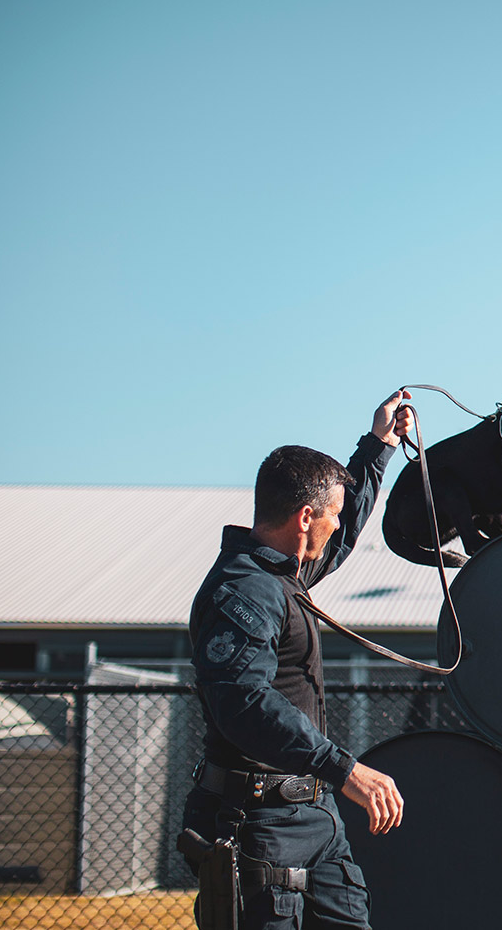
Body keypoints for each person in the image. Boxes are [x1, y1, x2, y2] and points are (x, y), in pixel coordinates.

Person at [181, 390, 414, 929]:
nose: (337, 524)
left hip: (315, 815)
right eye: (328, 514)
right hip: (258, 822)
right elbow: (243, 699)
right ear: (306, 517)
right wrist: (345, 769)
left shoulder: (285, 578)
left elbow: (346, 529)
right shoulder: (244, 590)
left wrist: (378, 444)